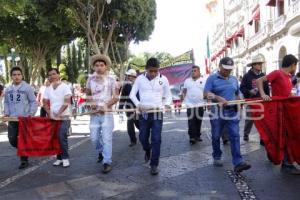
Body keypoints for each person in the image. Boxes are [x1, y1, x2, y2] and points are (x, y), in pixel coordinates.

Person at [204, 57, 251, 173]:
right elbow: (205, 94)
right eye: (225, 69)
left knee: (235, 135)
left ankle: (238, 162)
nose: (228, 72)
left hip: (232, 111)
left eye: (230, 69)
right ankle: (217, 155)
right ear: (220, 66)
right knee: (216, 135)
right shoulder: (212, 79)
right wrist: (216, 97)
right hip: (217, 112)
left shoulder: (234, 79)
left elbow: (237, 91)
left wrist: (240, 96)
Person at [256, 54, 300, 174]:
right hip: (278, 110)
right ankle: (285, 163)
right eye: (296, 65)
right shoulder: (277, 73)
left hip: (287, 110)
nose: (296, 68)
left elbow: (286, 93)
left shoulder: (289, 76)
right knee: (283, 136)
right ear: (292, 65)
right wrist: (263, 94)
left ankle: (285, 161)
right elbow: (259, 80)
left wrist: (293, 97)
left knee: (287, 135)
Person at [130, 57, 172, 175]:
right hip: (144, 113)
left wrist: (167, 104)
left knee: (156, 139)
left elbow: (168, 95)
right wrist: (139, 105)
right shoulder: (139, 79)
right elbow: (132, 95)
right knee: (143, 137)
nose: (153, 73)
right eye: (151, 71)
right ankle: (147, 150)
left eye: (156, 71)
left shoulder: (163, 79)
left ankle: (154, 164)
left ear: (158, 70)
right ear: (146, 69)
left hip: (158, 112)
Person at [86, 54, 119, 174]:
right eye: (96, 65)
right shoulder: (90, 79)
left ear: (105, 67)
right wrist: (92, 102)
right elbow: (88, 95)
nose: (99, 67)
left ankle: (107, 162)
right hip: (94, 114)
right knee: (94, 138)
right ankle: (101, 151)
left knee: (107, 139)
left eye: (101, 65)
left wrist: (105, 106)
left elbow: (116, 97)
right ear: (94, 67)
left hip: (107, 114)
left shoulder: (112, 79)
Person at [4, 67, 38, 169]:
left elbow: (33, 102)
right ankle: (26, 148)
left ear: (22, 75)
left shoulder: (27, 88)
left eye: (18, 74)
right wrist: (6, 112)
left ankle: (24, 160)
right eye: (14, 75)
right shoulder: (8, 89)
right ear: (11, 76)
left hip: (24, 119)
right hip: (12, 118)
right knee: (12, 139)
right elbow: (5, 102)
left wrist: (30, 114)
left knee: (23, 139)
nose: (16, 76)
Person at [43, 68, 72, 168]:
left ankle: (65, 158)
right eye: (50, 75)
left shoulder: (65, 87)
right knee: (55, 138)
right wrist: (49, 112)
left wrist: (59, 114)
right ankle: (59, 158)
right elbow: (45, 102)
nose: (52, 76)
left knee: (61, 136)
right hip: (52, 118)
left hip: (64, 117)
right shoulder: (48, 88)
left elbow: (67, 102)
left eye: (54, 74)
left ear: (59, 75)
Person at [240, 54, 269, 141]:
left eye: (261, 64)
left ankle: (262, 137)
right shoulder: (246, 76)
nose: (260, 65)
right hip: (251, 101)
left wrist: (268, 97)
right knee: (250, 119)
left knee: (263, 120)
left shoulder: (263, 75)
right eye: (258, 63)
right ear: (253, 65)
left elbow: (266, 88)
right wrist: (249, 91)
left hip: (262, 101)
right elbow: (242, 87)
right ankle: (246, 134)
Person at [182, 65, 205, 145]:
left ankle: (198, 135)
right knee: (191, 121)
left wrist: (208, 101)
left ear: (199, 72)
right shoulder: (187, 81)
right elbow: (184, 91)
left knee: (198, 121)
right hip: (190, 105)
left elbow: (206, 91)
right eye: (192, 71)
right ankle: (192, 137)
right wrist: (183, 99)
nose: (193, 72)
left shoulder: (203, 80)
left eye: (195, 70)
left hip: (200, 105)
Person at [118, 69, 139, 147]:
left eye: (129, 76)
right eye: (127, 76)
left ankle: (144, 135)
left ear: (134, 76)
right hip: (129, 108)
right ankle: (133, 140)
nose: (127, 77)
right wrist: (120, 107)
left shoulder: (140, 84)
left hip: (139, 108)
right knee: (130, 125)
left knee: (138, 124)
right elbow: (123, 97)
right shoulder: (126, 85)